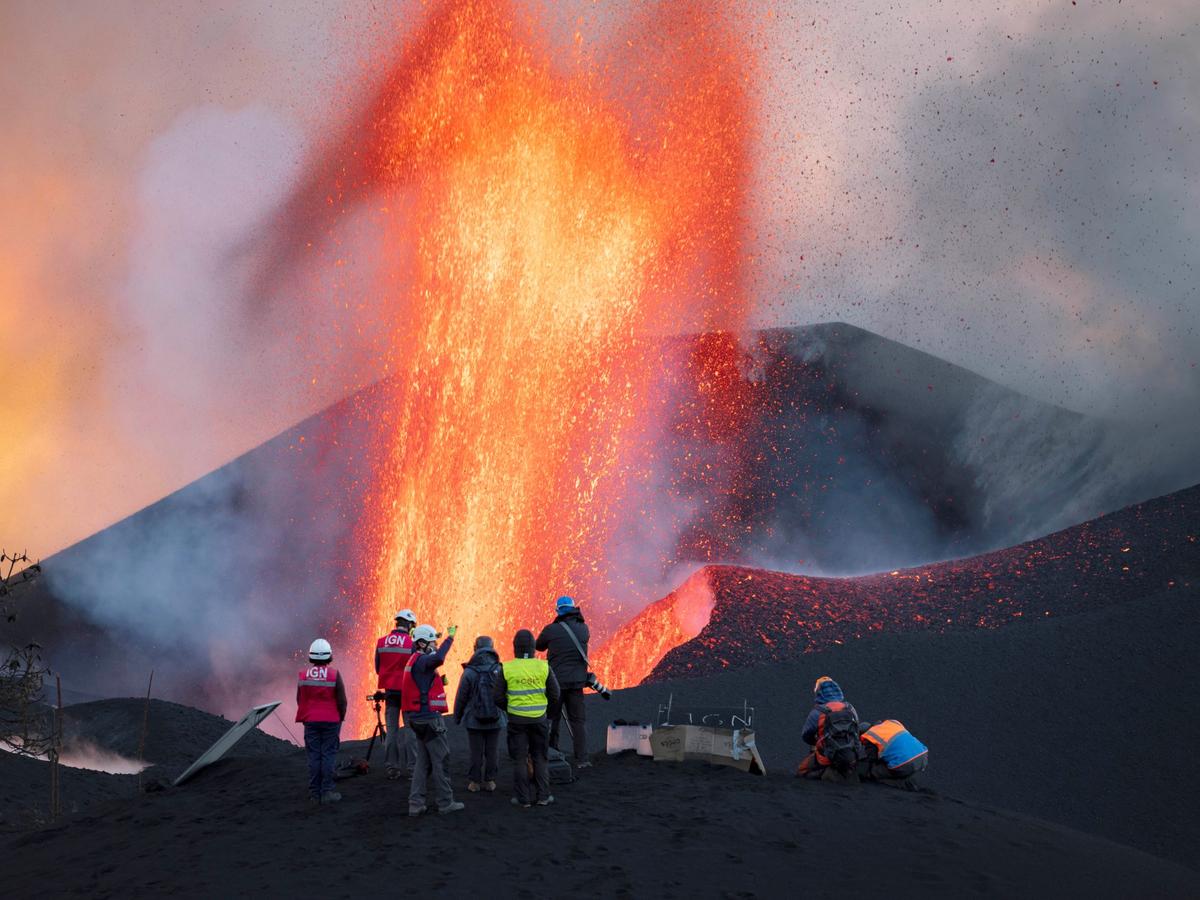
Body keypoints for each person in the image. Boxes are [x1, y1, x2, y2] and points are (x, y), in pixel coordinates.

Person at [402, 623, 464, 815]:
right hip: (428, 719)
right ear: (421, 643)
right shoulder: (422, 660)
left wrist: (436, 682)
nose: (435, 645)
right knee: (441, 759)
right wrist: (450, 638)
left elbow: (421, 682)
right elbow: (438, 658)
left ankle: (416, 803)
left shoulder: (413, 660)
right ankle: (446, 802)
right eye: (432, 642)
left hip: (416, 719)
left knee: (423, 762)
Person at [497, 628, 560, 808]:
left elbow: (497, 697)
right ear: (533, 648)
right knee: (540, 757)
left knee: (520, 758)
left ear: (515, 647)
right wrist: (545, 711)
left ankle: (523, 799)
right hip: (539, 720)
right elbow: (555, 694)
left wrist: (510, 709)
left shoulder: (507, 667)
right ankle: (543, 797)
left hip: (517, 721)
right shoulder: (543, 666)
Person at [535, 595, 590, 768]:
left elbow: (539, 646)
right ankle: (582, 759)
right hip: (577, 683)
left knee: (553, 719)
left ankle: (552, 753)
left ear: (558, 611)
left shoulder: (551, 629)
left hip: (556, 683)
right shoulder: (584, 628)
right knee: (578, 721)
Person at [295, 638, 347, 804]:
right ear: (329, 656)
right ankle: (327, 792)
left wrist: (307, 717)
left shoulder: (303, 675)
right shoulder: (334, 674)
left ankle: (314, 793)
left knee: (314, 756)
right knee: (328, 755)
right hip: (331, 722)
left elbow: (299, 699)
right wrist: (341, 718)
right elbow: (342, 701)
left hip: (311, 722)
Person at [453, 635, 505, 793]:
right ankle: (490, 781)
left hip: (474, 720)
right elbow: (505, 694)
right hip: (496, 718)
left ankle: (474, 783)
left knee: (476, 751)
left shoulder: (469, 672)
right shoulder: (499, 669)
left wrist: (458, 716)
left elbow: (461, 696)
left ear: (475, 648)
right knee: (492, 750)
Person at [375, 609, 418, 780]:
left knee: (391, 730)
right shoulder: (411, 643)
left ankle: (392, 768)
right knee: (410, 729)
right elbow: (417, 668)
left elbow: (378, 668)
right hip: (408, 692)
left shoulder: (381, 641)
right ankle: (413, 768)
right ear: (410, 625)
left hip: (390, 693)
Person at [796, 676, 862, 781]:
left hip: (827, 756)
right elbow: (857, 728)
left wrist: (816, 741)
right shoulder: (850, 708)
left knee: (802, 770)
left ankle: (825, 774)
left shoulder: (817, 712)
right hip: (851, 754)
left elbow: (806, 735)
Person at [859, 719, 929, 788]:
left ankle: (895, 786)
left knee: (873, 770)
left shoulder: (869, 736)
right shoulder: (892, 723)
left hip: (905, 763)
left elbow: (872, 758)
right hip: (923, 756)